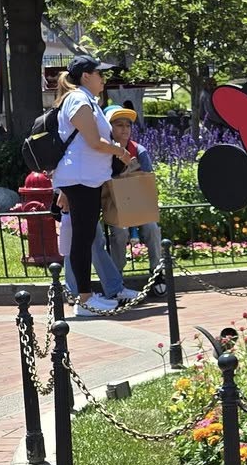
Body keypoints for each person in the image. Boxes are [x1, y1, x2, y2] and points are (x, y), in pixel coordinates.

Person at [51, 57, 134, 315]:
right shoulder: (78, 99)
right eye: (100, 73)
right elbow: (94, 141)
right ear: (86, 76)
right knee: (82, 238)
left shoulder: (85, 99)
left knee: (84, 237)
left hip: (86, 178)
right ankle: (84, 299)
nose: (103, 78)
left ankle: (85, 296)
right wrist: (120, 152)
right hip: (81, 178)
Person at [103, 107, 164, 281]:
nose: (125, 129)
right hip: (115, 205)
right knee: (120, 232)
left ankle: (157, 272)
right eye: (119, 125)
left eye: (128, 125)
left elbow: (148, 180)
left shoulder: (139, 150)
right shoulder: (103, 151)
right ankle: (117, 276)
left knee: (152, 228)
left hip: (138, 202)